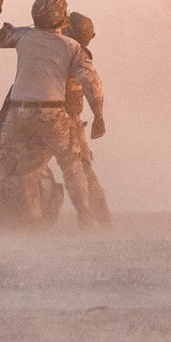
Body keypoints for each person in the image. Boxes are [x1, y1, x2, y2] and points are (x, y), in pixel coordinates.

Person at [0, 0, 107, 228]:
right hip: (52, 114)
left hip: (18, 113)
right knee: (72, 164)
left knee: (2, 165)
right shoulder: (72, 47)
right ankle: (85, 218)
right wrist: (99, 116)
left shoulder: (22, 36)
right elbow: (92, 84)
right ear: (62, 19)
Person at [59, 12, 111, 226]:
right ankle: (101, 220)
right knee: (83, 170)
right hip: (69, 121)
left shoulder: (64, 51)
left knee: (78, 169)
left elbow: (91, 85)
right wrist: (99, 116)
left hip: (60, 120)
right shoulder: (75, 54)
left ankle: (90, 218)